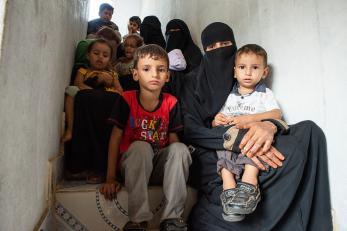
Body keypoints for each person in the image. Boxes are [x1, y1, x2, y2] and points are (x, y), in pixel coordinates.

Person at [181, 22, 332, 231]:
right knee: (225, 172)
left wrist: (269, 126)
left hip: (252, 135)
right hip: (212, 148)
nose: (219, 52)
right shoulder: (191, 82)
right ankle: (232, 202)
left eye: (225, 44)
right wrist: (236, 139)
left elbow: (271, 114)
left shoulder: (247, 78)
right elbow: (191, 131)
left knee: (309, 131)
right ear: (204, 51)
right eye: (212, 48)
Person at [100, 44, 191, 231]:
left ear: (168, 76)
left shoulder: (171, 102)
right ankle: (138, 220)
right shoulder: (126, 99)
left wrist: (179, 166)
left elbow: (173, 140)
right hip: (133, 166)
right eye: (147, 69)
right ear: (135, 74)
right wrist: (110, 177)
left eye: (161, 70)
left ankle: (172, 218)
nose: (155, 75)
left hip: (158, 167)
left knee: (181, 148)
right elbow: (115, 139)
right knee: (141, 147)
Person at [213, 44, 282, 221]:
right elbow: (220, 117)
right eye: (243, 68)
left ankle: (248, 186)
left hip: (250, 137)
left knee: (254, 151)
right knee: (223, 155)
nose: (248, 73)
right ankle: (229, 191)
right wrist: (217, 120)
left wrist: (250, 119)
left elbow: (276, 114)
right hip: (231, 139)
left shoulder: (264, 94)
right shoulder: (231, 96)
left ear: (264, 72)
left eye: (255, 68)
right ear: (235, 71)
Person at [62, 38, 123, 144]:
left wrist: (110, 82)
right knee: (71, 90)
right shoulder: (83, 71)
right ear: (87, 55)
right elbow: (78, 84)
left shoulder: (113, 74)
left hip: (105, 103)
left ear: (109, 60)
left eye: (105, 56)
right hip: (88, 96)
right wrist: (93, 91)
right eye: (96, 53)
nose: (100, 57)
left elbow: (120, 90)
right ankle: (69, 130)